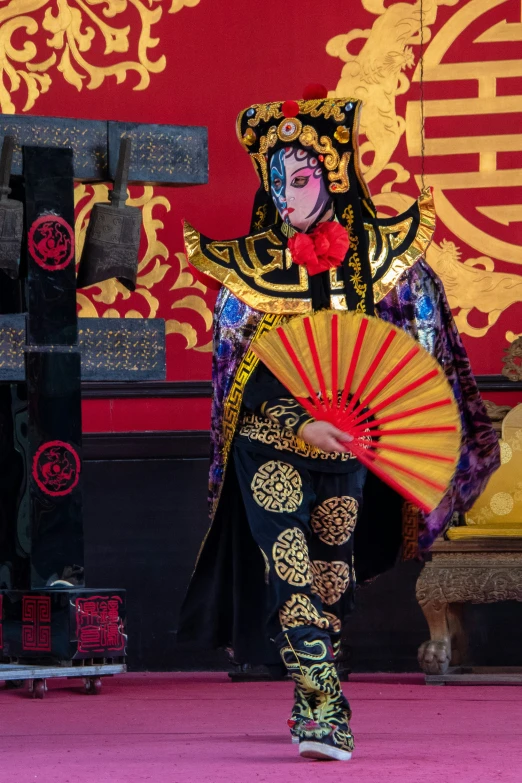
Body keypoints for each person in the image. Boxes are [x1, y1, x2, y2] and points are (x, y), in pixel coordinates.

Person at [178, 86, 500, 761]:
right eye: (278, 182)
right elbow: (239, 382)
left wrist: (390, 422)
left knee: (329, 575)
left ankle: (306, 689)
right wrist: (300, 423)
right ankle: (328, 709)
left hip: (349, 446)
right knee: (291, 570)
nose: (290, 196)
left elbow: (422, 354)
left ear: (334, 175)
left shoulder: (385, 267)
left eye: (303, 179)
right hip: (270, 443)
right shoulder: (249, 275)